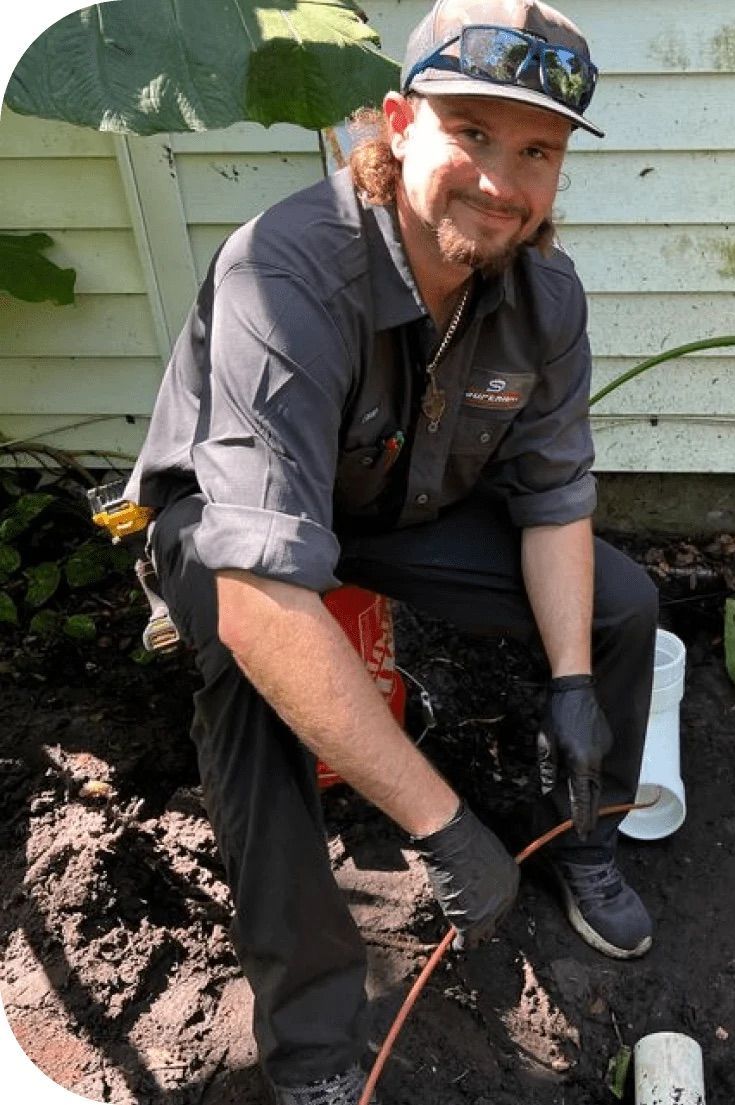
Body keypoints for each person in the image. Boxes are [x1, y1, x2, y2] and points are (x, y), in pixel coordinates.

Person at [123, 0, 658, 1101]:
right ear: (400, 121)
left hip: (400, 507)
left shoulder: (544, 296)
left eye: (537, 151)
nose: (502, 181)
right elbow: (268, 591)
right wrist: (441, 823)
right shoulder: (285, 273)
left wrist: (567, 684)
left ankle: (578, 836)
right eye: (471, 132)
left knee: (618, 604)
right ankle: (312, 1038)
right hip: (229, 526)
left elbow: (553, 498)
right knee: (250, 676)